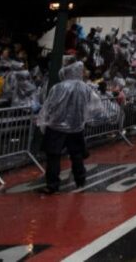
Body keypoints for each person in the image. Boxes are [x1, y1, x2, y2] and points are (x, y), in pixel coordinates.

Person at [37, 61, 97, 194]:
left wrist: (45, 121)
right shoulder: (85, 88)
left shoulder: (59, 87)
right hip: (76, 126)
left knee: (53, 156)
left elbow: (50, 105)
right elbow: (94, 106)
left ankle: (52, 184)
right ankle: (80, 179)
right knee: (76, 154)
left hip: (57, 126)